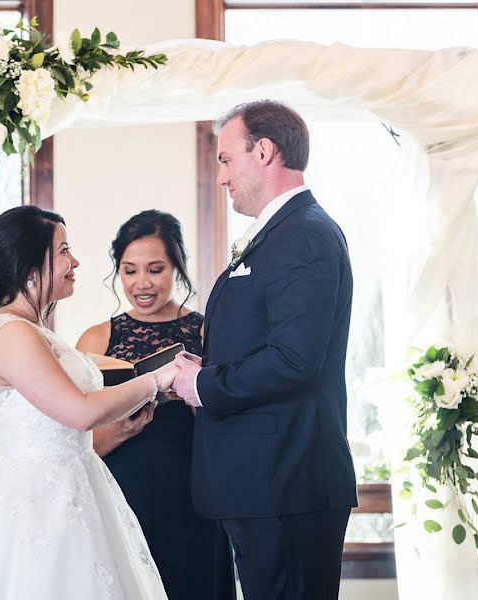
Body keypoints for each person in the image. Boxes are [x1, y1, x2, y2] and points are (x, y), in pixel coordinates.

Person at [0, 205, 177, 599]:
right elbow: (81, 411)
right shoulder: (11, 333)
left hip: (77, 489)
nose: (75, 261)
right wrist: (156, 379)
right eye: (64, 250)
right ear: (30, 264)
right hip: (38, 507)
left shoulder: (34, 330)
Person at [170, 100, 358, 600]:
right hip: (265, 483)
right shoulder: (283, 233)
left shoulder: (306, 236)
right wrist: (207, 367)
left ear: (265, 151)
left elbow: (295, 359)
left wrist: (202, 385)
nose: (222, 176)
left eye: (228, 159)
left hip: (286, 483)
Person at [76, 210, 235, 600]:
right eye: (129, 271)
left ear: (177, 267)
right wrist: (121, 429)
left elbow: (235, 423)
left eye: (155, 269)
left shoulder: (205, 331)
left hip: (192, 497)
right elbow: (74, 444)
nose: (141, 283)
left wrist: (197, 399)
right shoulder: (96, 340)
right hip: (122, 498)